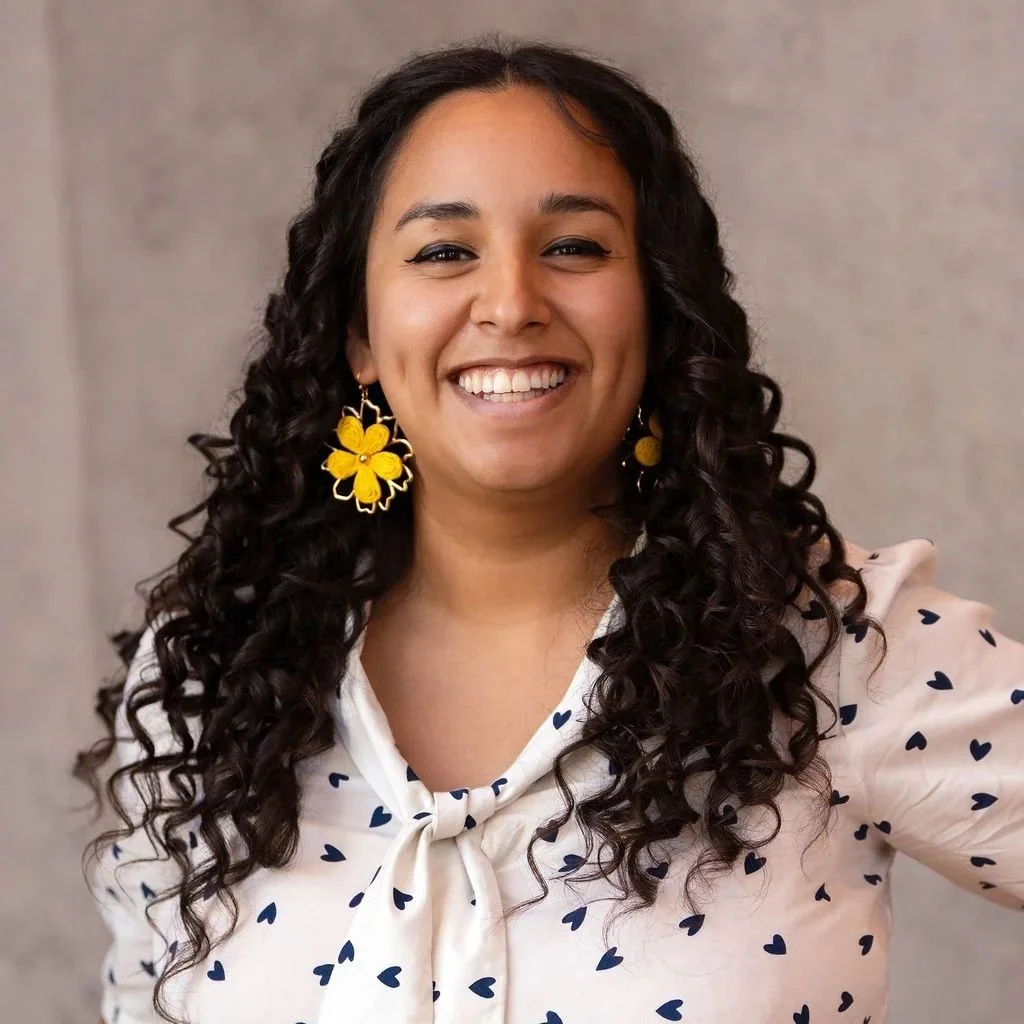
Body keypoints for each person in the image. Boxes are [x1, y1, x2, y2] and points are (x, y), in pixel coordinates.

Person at [75, 33, 1023, 1024]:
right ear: (358, 333)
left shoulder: (831, 651)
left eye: (573, 247)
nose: (512, 304)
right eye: (444, 252)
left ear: (657, 308)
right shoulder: (213, 676)